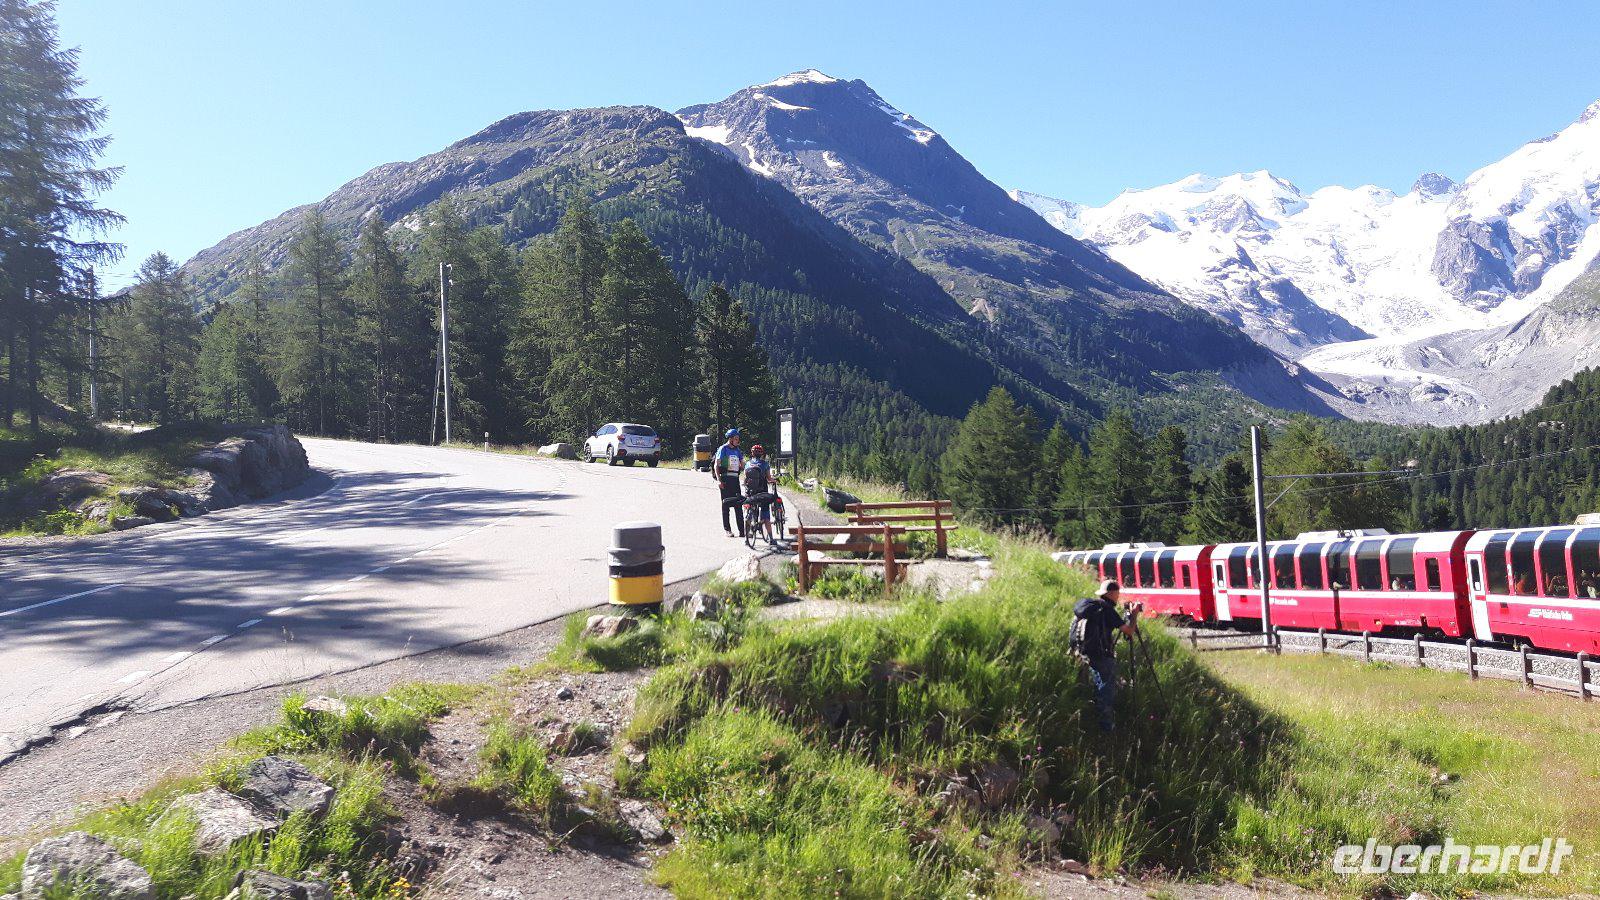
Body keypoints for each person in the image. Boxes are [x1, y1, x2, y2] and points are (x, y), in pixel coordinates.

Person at [1072, 579, 1138, 733]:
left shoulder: (1091, 607)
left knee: (1099, 683)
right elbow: (1128, 631)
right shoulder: (1107, 609)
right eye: (1117, 594)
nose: (1118, 597)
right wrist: (1134, 615)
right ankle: (1106, 727)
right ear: (1112, 593)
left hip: (1087, 652)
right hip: (1102, 655)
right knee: (1106, 689)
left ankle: (1096, 716)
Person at [713, 428, 746, 537]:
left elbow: (742, 464)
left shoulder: (737, 450)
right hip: (725, 479)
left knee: (738, 504)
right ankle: (728, 529)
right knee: (726, 504)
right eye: (736, 439)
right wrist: (719, 480)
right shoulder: (723, 449)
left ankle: (742, 530)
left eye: (738, 439)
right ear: (730, 439)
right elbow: (716, 465)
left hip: (735, 479)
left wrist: (744, 465)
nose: (738, 441)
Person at [742, 444, 777, 543]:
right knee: (765, 515)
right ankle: (771, 538)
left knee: (748, 512)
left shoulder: (748, 464)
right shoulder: (765, 464)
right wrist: (774, 481)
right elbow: (769, 479)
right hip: (762, 493)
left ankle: (746, 539)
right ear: (761, 454)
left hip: (751, 493)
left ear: (752, 453)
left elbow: (745, 480)